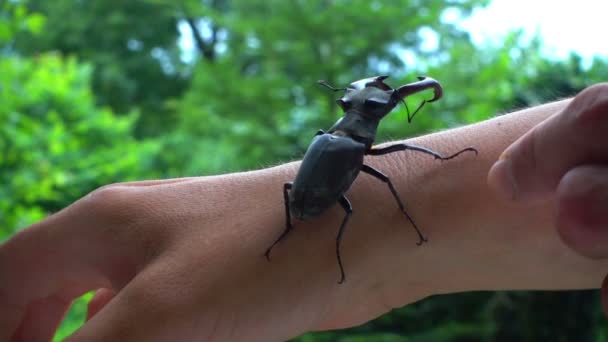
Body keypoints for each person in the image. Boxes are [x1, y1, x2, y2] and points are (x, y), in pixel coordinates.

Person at [1, 84, 607, 341]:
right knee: (367, 195)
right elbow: (389, 177)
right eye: (369, 109)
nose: (373, 111)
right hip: (314, 204)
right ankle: (328, 244)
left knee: (370, 188)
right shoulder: (352, 145)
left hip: (307, 196)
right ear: (360, 121)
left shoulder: (332, 137)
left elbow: (328, 178)